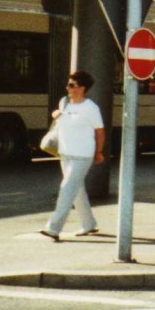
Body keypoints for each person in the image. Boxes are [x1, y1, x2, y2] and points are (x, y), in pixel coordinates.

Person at [41, 70, 105, 241]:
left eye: (72, 85)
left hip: (83, 155)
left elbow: (100, 132)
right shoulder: (64, 102)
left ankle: (53, 228)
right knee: (76, 190)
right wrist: (57, 115)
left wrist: (98, 152)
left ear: (82, 88)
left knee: (67, 188)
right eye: (68, 85)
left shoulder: (91, 108)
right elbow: (62, 121)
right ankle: (89, 223)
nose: (68, 88)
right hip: (66, 154)